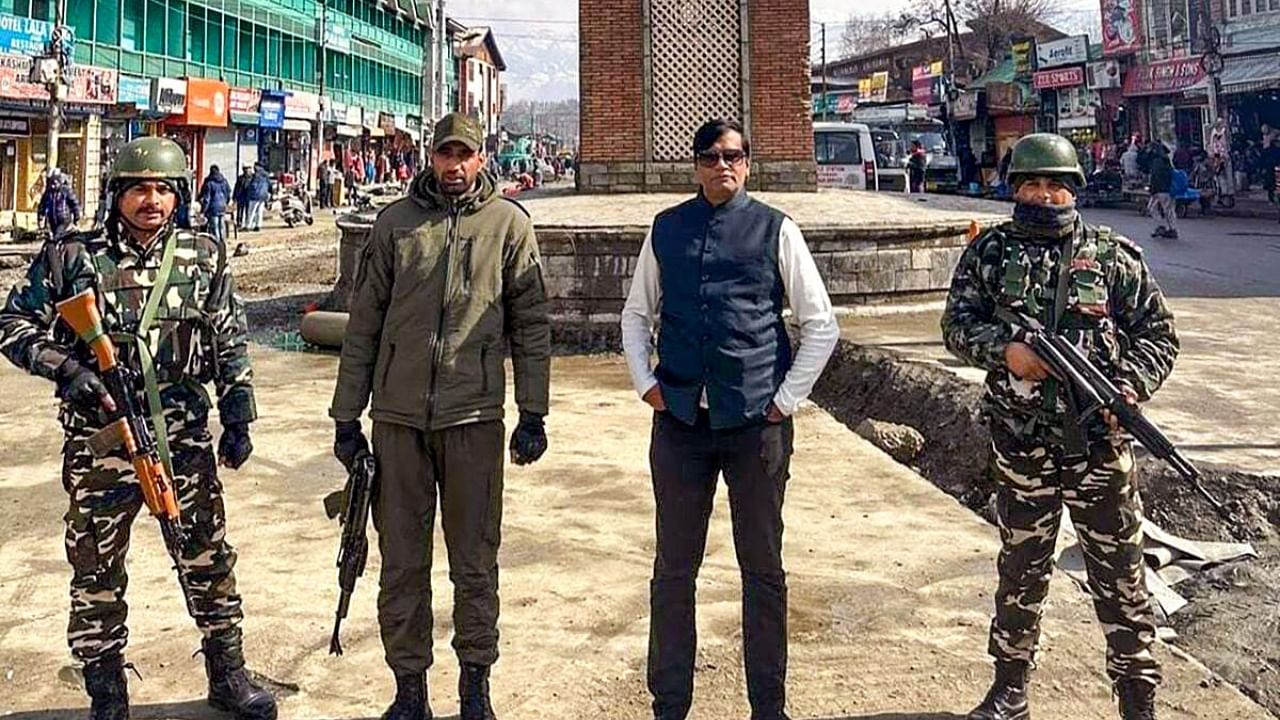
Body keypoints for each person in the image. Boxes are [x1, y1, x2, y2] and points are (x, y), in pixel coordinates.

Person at [0, 137, 275, 720]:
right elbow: (14, 323)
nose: (152, 201)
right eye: (139, 189)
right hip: (99, 442)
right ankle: (107, 694)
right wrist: (67, 369)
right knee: (96, 569)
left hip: (181, 441)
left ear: (179, 195)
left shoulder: (203, 254)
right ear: (117, 194)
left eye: (164, 190)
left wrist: (238, 413)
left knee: (206, 556)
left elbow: (228, 336)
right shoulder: (72, 256)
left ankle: (228, 675)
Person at [941, 133, 1177, 720]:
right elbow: (956, 324)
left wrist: (1130, 385)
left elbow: (1159, 336)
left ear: (1073, 188)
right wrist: (1005, 350)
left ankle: (1137, 695)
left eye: (1055, 184)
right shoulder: (991, 253)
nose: (1043, 195)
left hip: (1099, 446)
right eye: (1031, 183)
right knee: (1022, 567)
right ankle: (1010, 686)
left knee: (1121, 573)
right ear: (1014, 188)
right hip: (1022, 444)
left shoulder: (1114, 255)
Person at [329, 112, 550, 720]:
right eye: (444, 154)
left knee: (475, 561)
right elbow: (363, 326)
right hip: (397, 421)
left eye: (464, 155)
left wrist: (533, 410)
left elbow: (531, 328)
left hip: (473, 418)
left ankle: (475, 685)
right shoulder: (396, 225)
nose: (453, 166)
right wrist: (347, 415)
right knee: (402, 562)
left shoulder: (509, 225)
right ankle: (409, 691)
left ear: (481, 159)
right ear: (430, 156)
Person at [620, 118, 839, 720]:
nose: (724, 166)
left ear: (748, 164)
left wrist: (784, 399)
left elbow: (820, 324)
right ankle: (670, 704)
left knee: (763, 569)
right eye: (713, 157)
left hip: (755, 426)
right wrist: (648, 385)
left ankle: (769, 707)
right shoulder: (667, 230)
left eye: (735, 156)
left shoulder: (775, 229)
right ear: (695, 164)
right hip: (683, 423)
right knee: (673, 569)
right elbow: (637, 316)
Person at [37, 169, 82, 239]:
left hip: (63, 219)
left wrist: (77, 217)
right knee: (54, 238)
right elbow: (42, 205)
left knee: (57, 236)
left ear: (59, 181)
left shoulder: (65, 191)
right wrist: (40, 217)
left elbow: (74, 204)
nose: (53, 186)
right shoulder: (48, 192)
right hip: (52, 220)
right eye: (51, 183)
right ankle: (59, 248)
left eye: (55, 183)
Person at [1148, 144, 1178, 239]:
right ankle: (1171, 228)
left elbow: (1155, 177)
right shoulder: (1167, 161)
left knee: (1152, 208)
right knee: (1169, 210)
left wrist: (1153, 189)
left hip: (1160, 189)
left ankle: (1162, 227)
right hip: (1168, 189)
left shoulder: (1157, 162)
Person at [198, 164, 233, 244]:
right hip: (222, 206)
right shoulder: (224, 181)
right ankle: (223, 241)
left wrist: (203, 211)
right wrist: (225, 203)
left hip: (213, 207)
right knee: (221, 225)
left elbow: (207, 199)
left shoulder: (209, 183)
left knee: (215, 226)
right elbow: (228, 193)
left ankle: (217, 243)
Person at [246, 165, 270, 232]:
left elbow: (251, 185)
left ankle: (248, 226)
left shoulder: (255, 177)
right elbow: (269, 185)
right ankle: (258, 225)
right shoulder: (265, 176)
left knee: (251, 211)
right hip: (263, 196)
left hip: (254, 195)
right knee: (259, 211)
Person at [233, 165, 253, 230]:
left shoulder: (253, 178)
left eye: (248, 169)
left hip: (249, 197)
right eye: (246, 169)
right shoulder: (240, 178)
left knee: (248, 211)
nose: (247, 171)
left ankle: (247, 223)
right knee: (240, 211)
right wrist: (234, 196)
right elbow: (236, 188)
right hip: (241, 196)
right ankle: (239, 222)